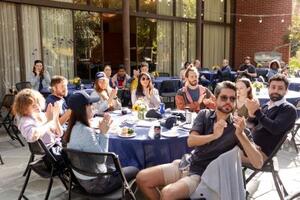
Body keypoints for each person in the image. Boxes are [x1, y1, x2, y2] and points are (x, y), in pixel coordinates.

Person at [136, 81, 263, 200]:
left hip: (203, 175)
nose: (228, 102)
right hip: (186, 164)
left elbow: (258, 163)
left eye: (232, 99)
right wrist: (214, 135)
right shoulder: (205, 115)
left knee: (168, 193)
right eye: (224, 98)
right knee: (142, 178)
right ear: (215, 99)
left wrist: (241, 135)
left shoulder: (238, 127)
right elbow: (191, 141)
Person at [64, 91, 138, 194]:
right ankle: (126, 195)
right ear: (83, 108)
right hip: (97, 184)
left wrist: (99, 132)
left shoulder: (73, 127)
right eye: (90, 104)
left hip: (82, 180)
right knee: (135, 169)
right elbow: (101, 159)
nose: (93, 107)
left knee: (117, 164)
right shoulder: (85, 131)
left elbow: (93, 150)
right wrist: (103, 133)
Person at [246, 74, 297, 159]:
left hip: (261, 154)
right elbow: (250, 126)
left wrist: (257, 111)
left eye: (280, 88)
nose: (276, 91)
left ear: (286, 91)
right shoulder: (266, 106)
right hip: (251, 147)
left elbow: (275, 128)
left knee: (225, 154)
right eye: (273, 87)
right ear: (268, 89)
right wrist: (251, 116)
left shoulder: (288, 109)